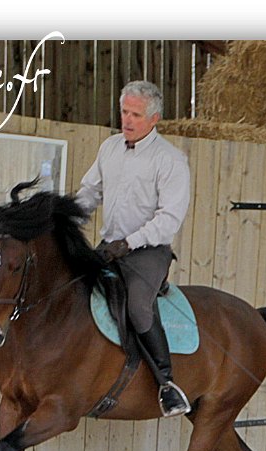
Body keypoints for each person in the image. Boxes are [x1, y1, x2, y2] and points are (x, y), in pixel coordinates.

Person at [75, 80, 192, 417]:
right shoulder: (109, 148)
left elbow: (169, 219)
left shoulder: (171, 161)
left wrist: (129, 243)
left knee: (139, 306)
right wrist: (68, 218)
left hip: (147, 251)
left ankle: (167, 384)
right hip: (109, 246)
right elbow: (89, 192)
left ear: (154, 119)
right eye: (124, 112)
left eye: (135, 115)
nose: (127, 120)